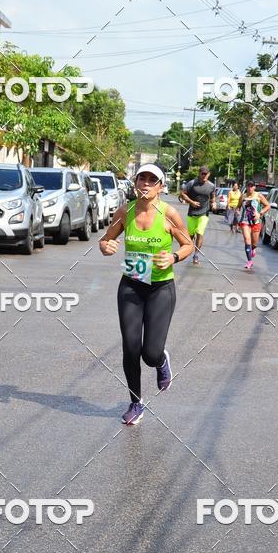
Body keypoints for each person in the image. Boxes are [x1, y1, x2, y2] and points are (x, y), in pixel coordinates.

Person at [99, 164, 192, 425]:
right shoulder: (124, 212)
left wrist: (173, 257)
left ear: (161, 186)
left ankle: (161, 361)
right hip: (131, 286)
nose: (146, 184)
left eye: (153, 180)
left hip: (161, 288)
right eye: (142, 178)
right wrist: (107, 246)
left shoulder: (169, 214)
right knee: (130, 348)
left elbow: (188, 245)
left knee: (150, 353)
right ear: (135, 182)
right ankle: (136, 402)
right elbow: (105, 240)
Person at [180, 166, 217, 265]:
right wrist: (191, 202)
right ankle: (187, 250)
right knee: (191, 236)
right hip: (192, 213)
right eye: (203, 174)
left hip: (204, 213)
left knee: (200, 232)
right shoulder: (192, 183)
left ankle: (196, 254)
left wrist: (214, 203)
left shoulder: (211, 186)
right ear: (199, 173)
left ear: (209, 174)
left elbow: (213, 196)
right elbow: (182, 194)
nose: (204, 176)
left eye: (206, 174)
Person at [239, 180, 271, 268]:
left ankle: (253, 249)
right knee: (247, 240)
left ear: (254, 187)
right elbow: (238, 206)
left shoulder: (258, 195)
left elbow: (268, 206)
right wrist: (237, 212)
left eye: (251, 186)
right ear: (246, 187)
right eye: (248, 186)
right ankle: (249, 261)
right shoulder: (243, 196)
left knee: (254, 243)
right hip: (245, 221)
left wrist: (259, 213)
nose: (250, 187)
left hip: (255, 222)